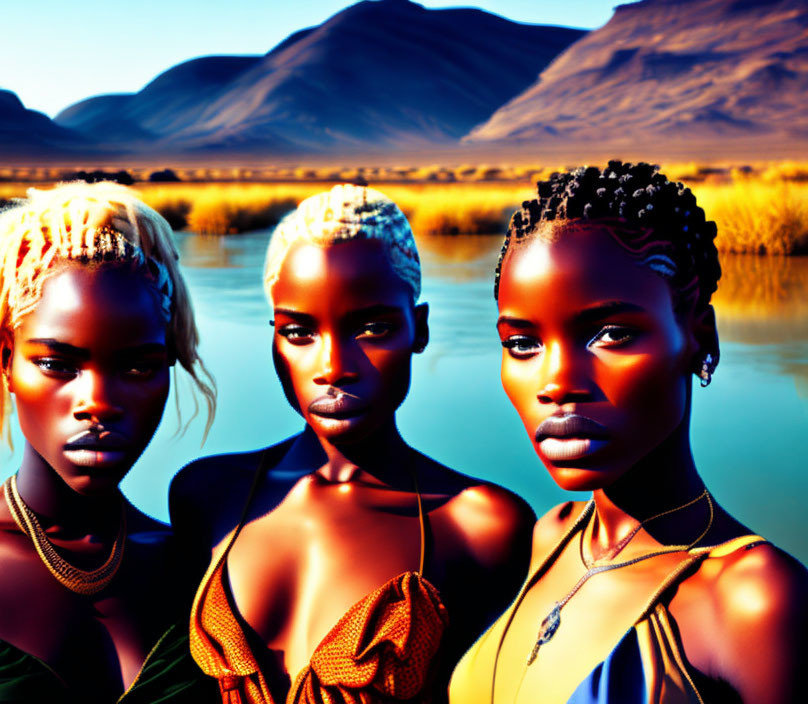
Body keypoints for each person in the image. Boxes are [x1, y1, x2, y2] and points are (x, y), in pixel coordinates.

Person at [449, 162, 808, 704]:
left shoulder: (756, 599)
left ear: (699, 338)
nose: (557, 383)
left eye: (612, 334)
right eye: (523, 344)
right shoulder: (551, 534)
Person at [171, 183, 535, 704]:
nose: (333, 367)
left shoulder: (483, 527)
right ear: (273, 339)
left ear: (420, 329)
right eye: (299, 332)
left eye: (372, 328)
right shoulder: (206, 496)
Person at [0, 182, 217, 703]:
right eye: (57, 364)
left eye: (138, 365)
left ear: (168, 368)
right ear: (6, 361)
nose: (96, 401)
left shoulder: (200, 569)